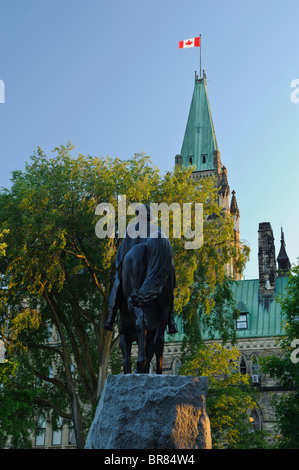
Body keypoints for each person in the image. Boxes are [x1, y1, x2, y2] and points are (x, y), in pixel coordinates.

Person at [104, 204, 178, 334]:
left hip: (135, 272)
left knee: (118, 280)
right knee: (170, 283)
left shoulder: (132, 229)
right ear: (150, 216)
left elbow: (122, 255)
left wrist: (120, 267)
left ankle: (111, 317)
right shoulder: (158, 230)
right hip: (156, 269)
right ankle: (171, 320)